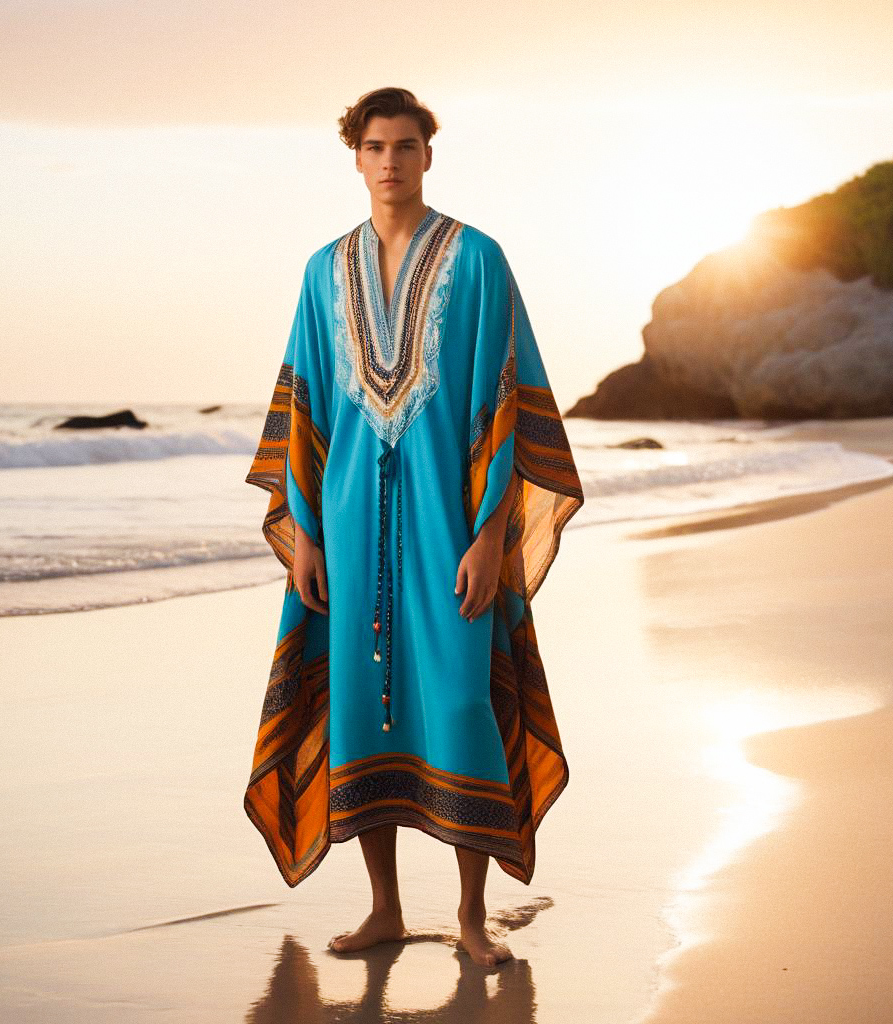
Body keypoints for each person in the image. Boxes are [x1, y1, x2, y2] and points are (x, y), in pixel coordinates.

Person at [243, 86, 584, 968]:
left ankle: (471, 919)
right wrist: (308, 537)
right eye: (374, 147)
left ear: (429, 154)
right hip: (350, 529)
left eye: (405, 145)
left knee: (463, 700)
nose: (390, 161)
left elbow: (503, 405)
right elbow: (306, 410)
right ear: (355, 157)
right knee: (362, 709)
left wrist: (489, 536)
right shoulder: (324, 272)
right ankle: (385, 908)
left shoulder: (477, 261)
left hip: (448, 524)